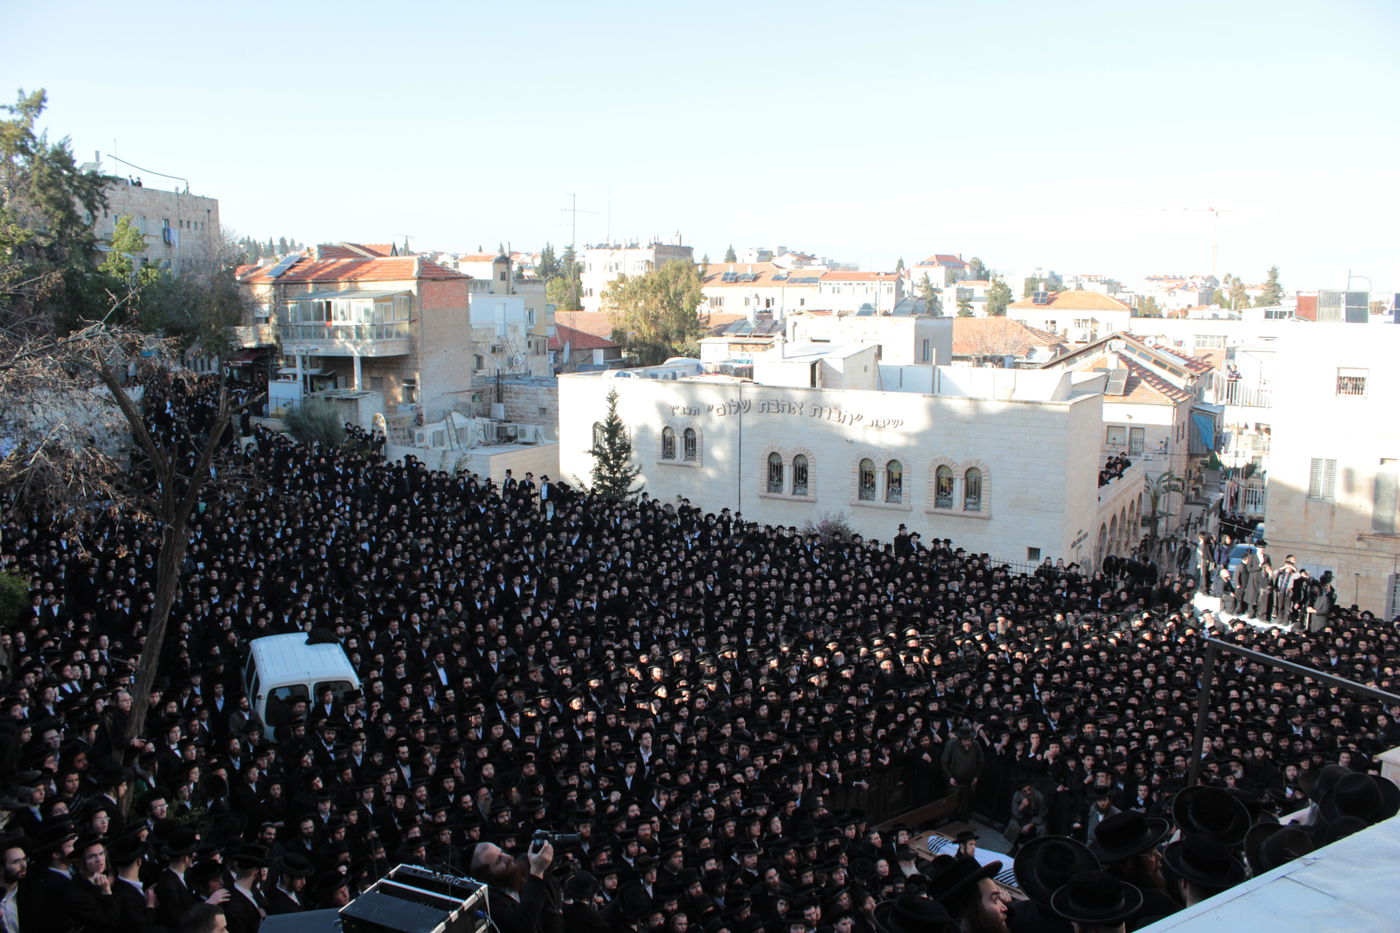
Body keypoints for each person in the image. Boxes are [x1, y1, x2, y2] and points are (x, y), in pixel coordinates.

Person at [469, 838, 560, 933]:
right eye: (499, 860)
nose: (509, 857)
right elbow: (521, 926)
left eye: (502, 852)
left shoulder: (520, 871)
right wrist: (536, 873)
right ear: (486, 875)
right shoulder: (489, 904)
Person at [942, 724, 985, 824]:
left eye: (969, 740)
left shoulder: (976, 745)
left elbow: (981, 761)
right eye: (965, 740)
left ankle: (964, 824)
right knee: (953, 806)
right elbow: (944, 762)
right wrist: (950, 777)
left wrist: (976, 777)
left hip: (969, 783)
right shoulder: (951, 744)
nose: (967, 742)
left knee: (967, 806)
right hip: (954, 782)